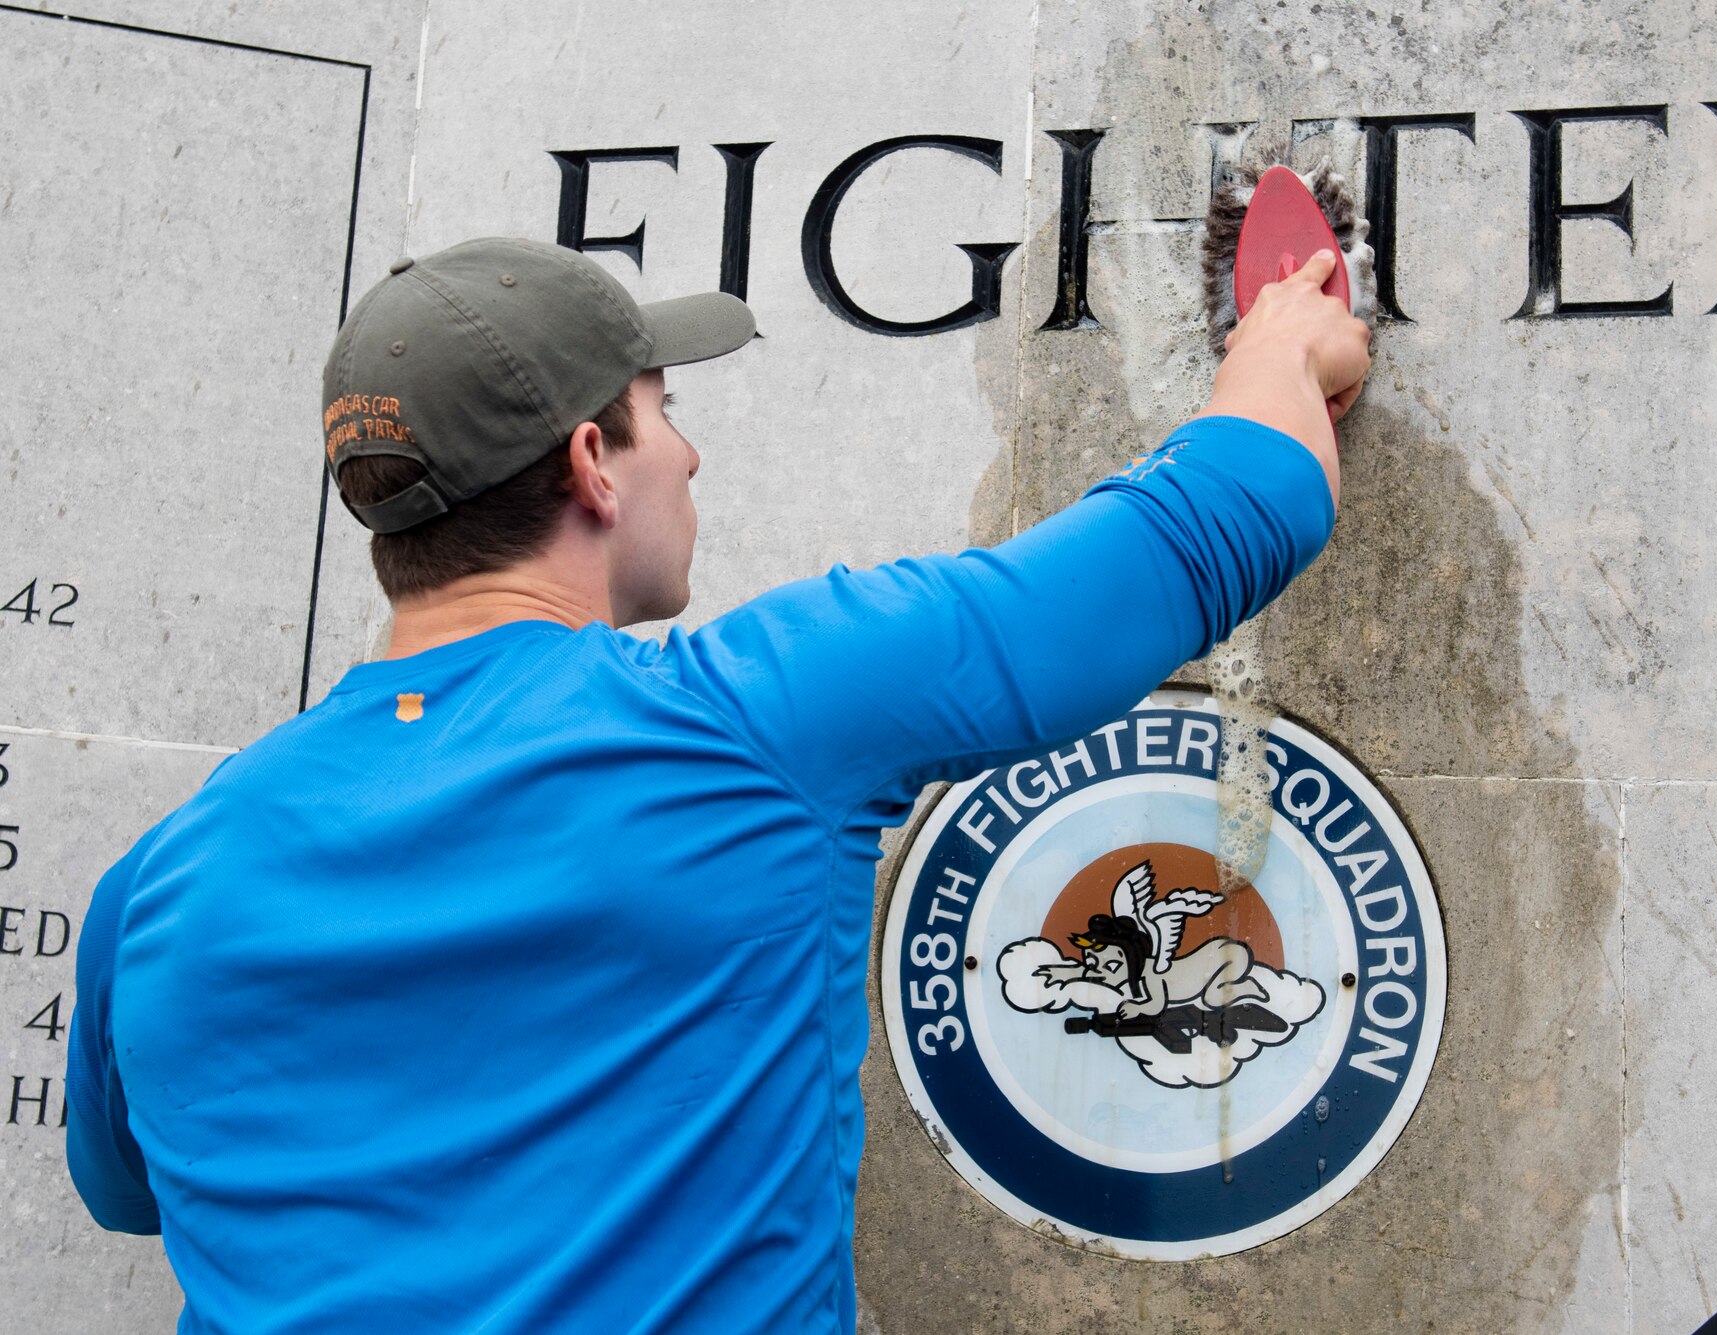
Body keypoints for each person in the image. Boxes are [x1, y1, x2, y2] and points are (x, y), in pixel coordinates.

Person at [65, 235, 1370, 1333]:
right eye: (664, 414)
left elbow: (128, 1191)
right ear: (591, 465)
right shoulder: (748, 721)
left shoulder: (163, 876)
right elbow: (1210, 524)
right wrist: (1280, 345)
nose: (685, 460)